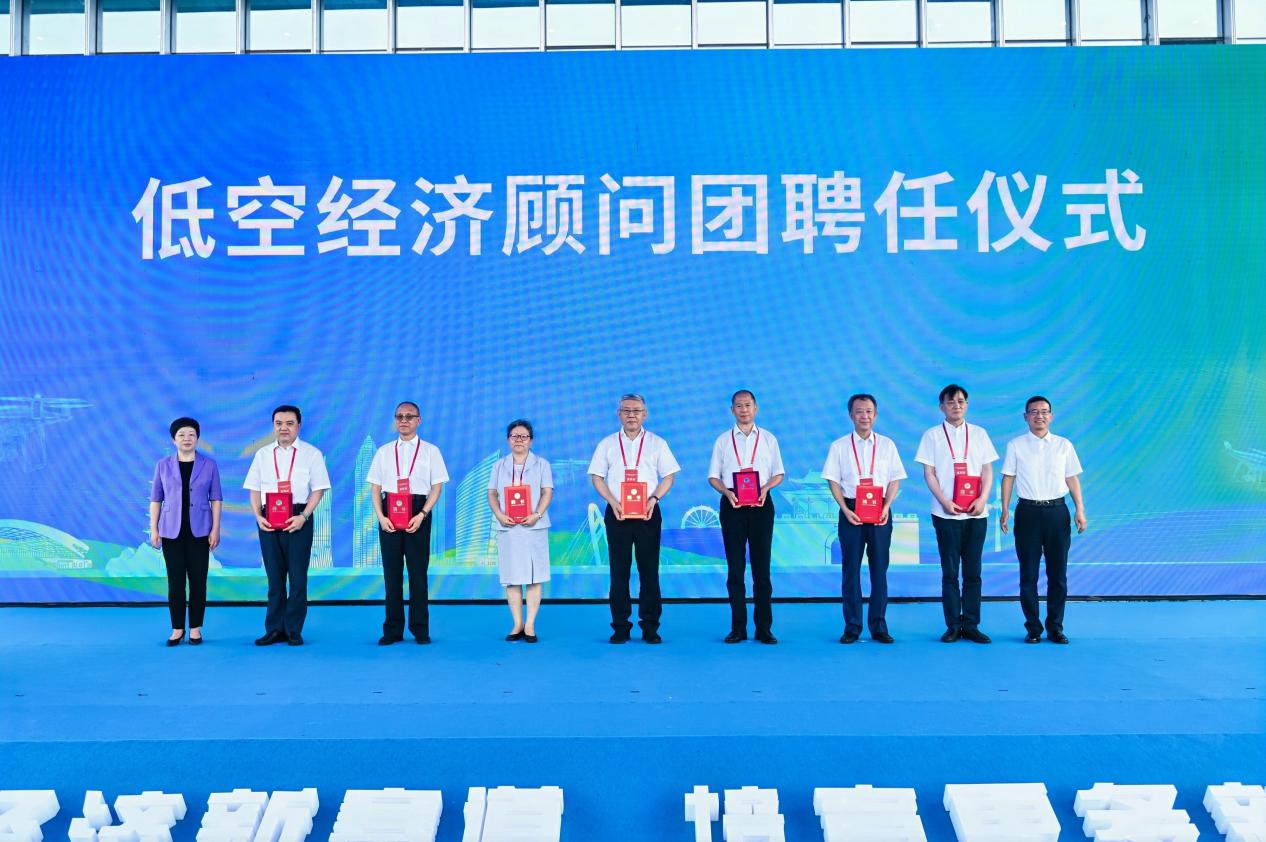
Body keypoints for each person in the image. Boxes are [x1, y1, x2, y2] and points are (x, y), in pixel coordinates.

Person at [588, 393, 680, 644]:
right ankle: (620, 627)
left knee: (649, 571)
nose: (631, 415)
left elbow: (669, 476)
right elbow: (597, 477)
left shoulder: (657, 443)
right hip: (617, 512)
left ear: (645, 414)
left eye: (636, 411)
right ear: (619, 414)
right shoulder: (607, 444)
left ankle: (650, 627)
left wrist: (654, 499)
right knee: (619, 572)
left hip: (648, 513)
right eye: (626, 410)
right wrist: (612, 501)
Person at [914, 384, 999, 644]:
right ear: (942, 407)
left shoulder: (980, 434)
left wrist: (982, 500)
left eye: (961, 401)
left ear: (967, 405)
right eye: (951, 402)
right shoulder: (931, 436)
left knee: (973, 572)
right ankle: (952, 625)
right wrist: (944, 501)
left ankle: (971, 625)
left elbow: (987, 471)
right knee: (950, 572)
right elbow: (929, 473)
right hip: (945, 513)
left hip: (976, 513)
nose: (956, 406)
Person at [1000, 396, 1087, 644]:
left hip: (1057, 512)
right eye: (1034, 411)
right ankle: (1033, 628)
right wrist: (1005, 509)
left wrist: (1080, 509)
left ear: (1051, 416)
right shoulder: (1016, 445)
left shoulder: (1063, 445)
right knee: (1028, 574)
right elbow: (1008, 478)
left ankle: (1055, 627)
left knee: (1057, 574)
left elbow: (1072, 478)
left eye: (1044, 411)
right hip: (1027, 513)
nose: (1039, 416)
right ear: (1025, 416)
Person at [822, 393, 906, 644]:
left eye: (869, 411)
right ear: (851, 415)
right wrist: (844, 509)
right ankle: (852, 626)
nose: (864, 416)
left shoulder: (887, 445)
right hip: (851, 510)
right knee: (851, 569)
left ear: (875, 415)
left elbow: (895, 479)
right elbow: (833, 480)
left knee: (879, 569)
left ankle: (879, 626)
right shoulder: (839, 446)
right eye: (859, 411)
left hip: (880, 510)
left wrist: (887, 506)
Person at [244, 404, 331, 647]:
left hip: (298, 517)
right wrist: (258, 516)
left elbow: (319, 489)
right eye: (279, 423)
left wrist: (304, 516)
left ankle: (293, 629)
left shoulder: (311, 454)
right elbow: (254, 488)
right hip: (268, 519)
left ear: (298, 426)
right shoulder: (262, 454)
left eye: (289, 423)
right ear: (273, 426)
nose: (284, 428)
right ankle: (273, 629)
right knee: (274, 578)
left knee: (298, 578)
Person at [366, 401, 448, 645]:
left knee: (418, 574)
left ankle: (420, 629)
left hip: (417, 512)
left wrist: (422, 514)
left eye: (409, 416)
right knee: (391, 575)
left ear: (418, 420)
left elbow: (437, 487)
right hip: (389, 512)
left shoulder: (431, 451)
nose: (404, 420)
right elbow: (375, 488)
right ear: (395, 420)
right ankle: (392, 630)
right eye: (399, 416)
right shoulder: (384, 452)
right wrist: (381, 517)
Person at [707, 390, 785, 644]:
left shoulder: (769, 439)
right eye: (739, 406)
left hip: (761, 504)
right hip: (733, 504)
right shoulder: (723, 441)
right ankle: (737, 628)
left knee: (762, 569)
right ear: (732, 410)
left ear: (756, 408)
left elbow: (779, 473)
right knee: (735, 568)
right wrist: (726, 492)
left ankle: (764, 628)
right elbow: (713, 476)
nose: (743, 410)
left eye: (748, 405)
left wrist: (766, 488)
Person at [149, 417, 222, 647]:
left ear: (198, 438)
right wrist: (154, 528)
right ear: (174, 440)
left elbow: (216, 499)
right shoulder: (163, 465)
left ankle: (196, 628)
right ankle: (177, 629)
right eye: (181, 435)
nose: (187, 439)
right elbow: (156, 499)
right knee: (175, 581)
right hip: (171, 531)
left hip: (200, 531)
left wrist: (216, 529)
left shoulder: (209, 465)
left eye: (191, 434)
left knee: (199, 581)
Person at [487, 419, 554, 643]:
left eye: (524, 436)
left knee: (535, 577)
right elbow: (492, 493)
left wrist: (537, 514)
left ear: (531, 440)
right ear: (508, 440)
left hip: (534, 526)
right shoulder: (499, 466)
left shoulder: (542, 464)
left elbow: (547, 492)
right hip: (508, 527)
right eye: (514, 436)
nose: (519, 440)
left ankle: (530, 624)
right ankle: (517, 624)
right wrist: (499, 514)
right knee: (512, 578)